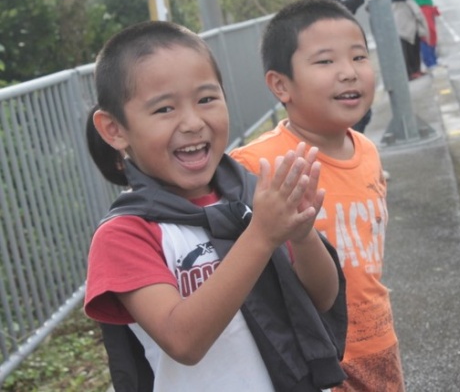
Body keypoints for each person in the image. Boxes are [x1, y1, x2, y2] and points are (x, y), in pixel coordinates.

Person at [83, 20, 347, 391]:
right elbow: (184, 341)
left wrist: (303, 237)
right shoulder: (125, 235)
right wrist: (261, 236)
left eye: (207, 99)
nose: (193, 122)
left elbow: (323, 297)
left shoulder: (252, 193)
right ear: (114, 129)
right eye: (164, 110)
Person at [230, 0, 405, 392]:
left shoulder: (367, 150)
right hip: (311, 358)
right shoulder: (255, 166)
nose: (349, 73)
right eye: (325, 62)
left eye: (359, 57)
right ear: (281, 85)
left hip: (378, 343)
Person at [295, 0, 374, 134]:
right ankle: (348, 161)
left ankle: (350, 159)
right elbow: (336, 14)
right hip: (331, 54)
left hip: (332, 53)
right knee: (355, 112)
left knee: (354, 110)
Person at [387, 0, 427, 81]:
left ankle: (417, 68)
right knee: (405, 40)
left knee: (415, 39)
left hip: (410, 9)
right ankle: (409, 71)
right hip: (400, 10)